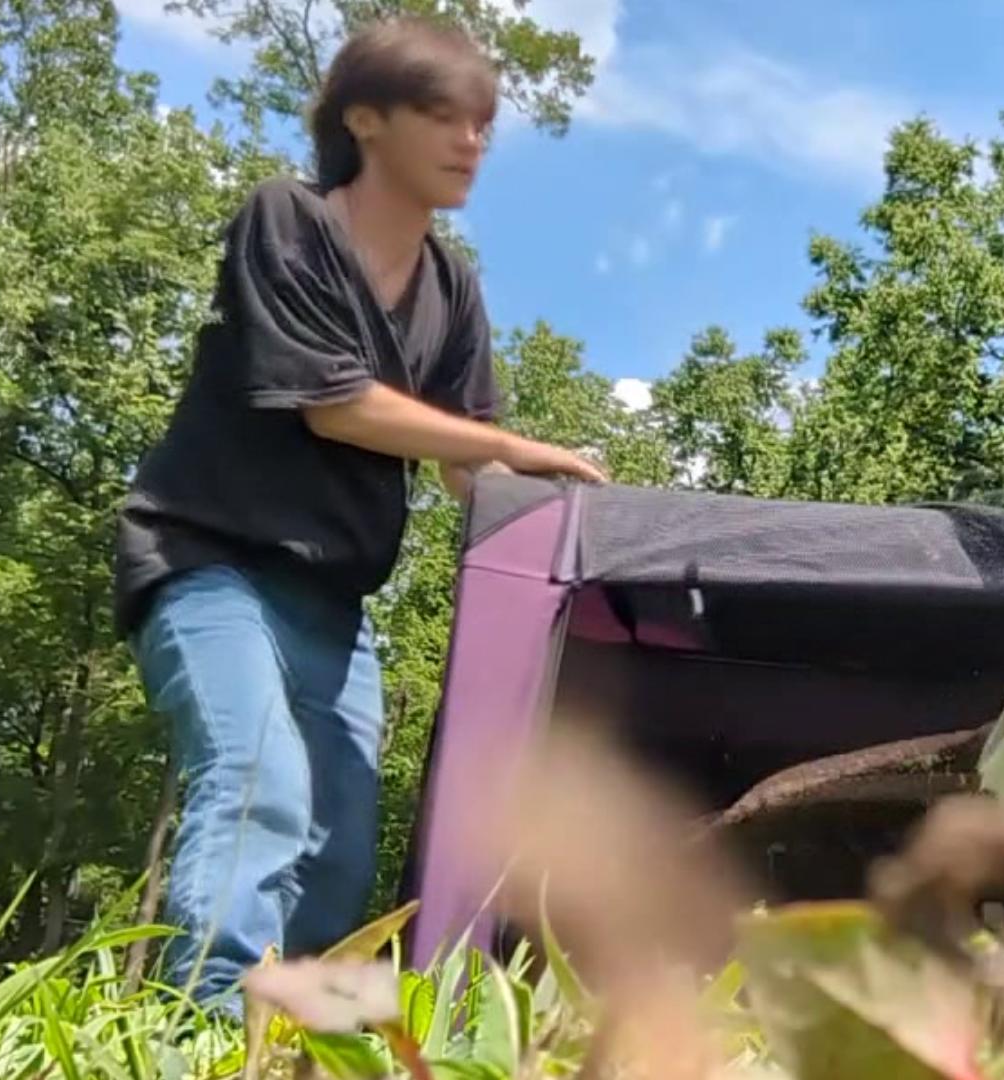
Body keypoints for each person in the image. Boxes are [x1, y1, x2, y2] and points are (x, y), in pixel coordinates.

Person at [112, 18, 606, 1011]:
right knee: (259, 785)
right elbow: (335, 405)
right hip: (211, 563)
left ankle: (296, 1030)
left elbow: (472, 464)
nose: (472, 141)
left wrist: (581, 516)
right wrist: (506, 448)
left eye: (483, 123)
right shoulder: (286, 220)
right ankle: (201, 1026)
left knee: (340, 840)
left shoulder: (453, 288)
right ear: (365, 120)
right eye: (443, 116)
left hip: (338, 605)